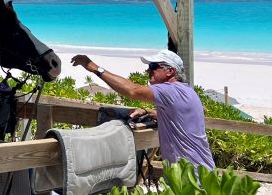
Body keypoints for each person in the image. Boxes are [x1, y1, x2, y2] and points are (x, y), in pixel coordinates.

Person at [71, 49, 215, 170]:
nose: (147, 70)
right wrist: (149, 112)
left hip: (191, 176)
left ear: (170, 71)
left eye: (153, 66)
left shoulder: (170, 91)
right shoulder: (186, 91)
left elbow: (132, 90)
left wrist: (95, 68)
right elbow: (179, 117)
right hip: (199, 171)